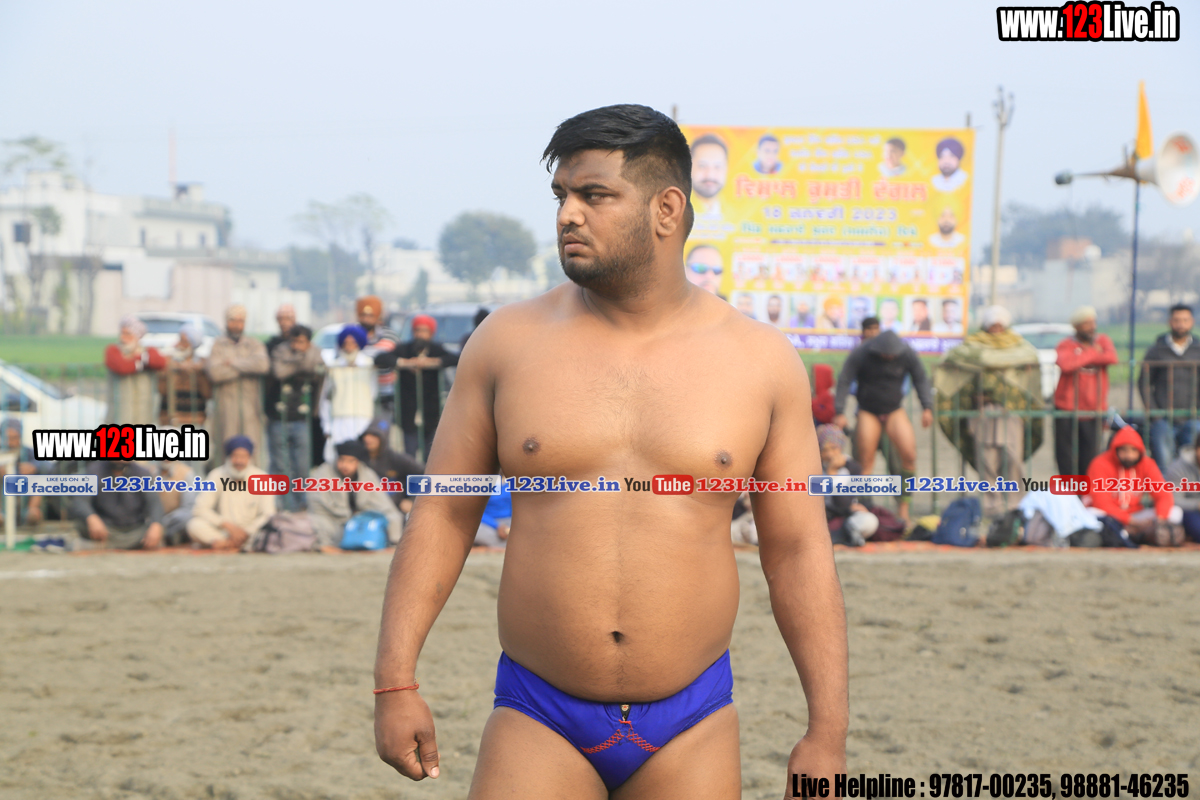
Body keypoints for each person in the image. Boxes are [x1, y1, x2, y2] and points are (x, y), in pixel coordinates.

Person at [373, 104, 846, 798]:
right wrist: (395, 682)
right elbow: (443, 514)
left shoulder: (760, 362)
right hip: (538, 711)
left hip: (693, 718)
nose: (568, 214)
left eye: (594, 195)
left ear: (666, 209)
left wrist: (826, 732)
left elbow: (797, 548)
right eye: (561, 195)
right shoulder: (506, 343)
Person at [934, 306, 1044, 518]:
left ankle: (1015, 505)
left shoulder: (1020, 348)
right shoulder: (971, 348)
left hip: (1012, 412)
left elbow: (1030, 368)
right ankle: (991, 506)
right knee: (987, 459)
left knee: (1012, 458)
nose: (996, 328)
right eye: (993, 325)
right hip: (982, 411)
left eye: (1000, 325)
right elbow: (952, 362)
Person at [833, 330, 933, 522]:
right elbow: (844, 379)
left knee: (909, 456)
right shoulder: (862, 352)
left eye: (892, 355)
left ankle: (903, 508)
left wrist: (927, 406)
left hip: (894, 409)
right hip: (868, 410)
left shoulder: (906, 353)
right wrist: (840, 411)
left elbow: (920, 378)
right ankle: (864, 508)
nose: (889, 358)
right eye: (886, 355)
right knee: (865, 462)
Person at [374, 314, 460, 461]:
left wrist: (433, 362)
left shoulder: (436, 349)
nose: (420, 334)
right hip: (409, 411)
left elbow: (455, 358)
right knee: (409, 454)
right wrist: (405, 363)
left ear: (431, 333)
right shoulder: (404, 349)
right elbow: (381, 358)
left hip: (430, 412)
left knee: (430, 455)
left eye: (424, 331)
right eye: (417, 330)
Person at [1085, 425, 1184, 547]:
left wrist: (1160, 520)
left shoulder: (1147, 464)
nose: (1129, 455)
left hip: (1136, 515)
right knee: (1091, 513)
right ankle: (1133, 534)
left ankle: (1132, 533)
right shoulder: (1100, 464)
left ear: (1140, 451)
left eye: (1133, 450)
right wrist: (1131, 522)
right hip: (1111, 516)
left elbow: (1163, 495)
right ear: (1115, 450)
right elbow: (1101, 503)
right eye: (1124, 450)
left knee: (1175, 512)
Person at [1053, 306, 1118, 476]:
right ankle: (1068, 489)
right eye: (1086, 323)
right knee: (1065, 455)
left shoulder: (1103, 340)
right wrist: (1093, 353)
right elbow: (1066, 364)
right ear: (1077, 326)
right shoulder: (1066, 344)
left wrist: (1080, 357)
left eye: (1093, 322)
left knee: (1090, 455)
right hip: (1067, 408)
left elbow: (1111, 357)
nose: (1092, 327)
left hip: (1094, 409)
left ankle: (1087, 490)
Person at [307, 439, 403, 549]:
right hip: (334, 521)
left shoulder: (367, 474)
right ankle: (326, 547)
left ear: (358, 462)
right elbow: (317, 508)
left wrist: (360, 516)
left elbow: (384, 505)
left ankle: (393, 547)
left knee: (393, 517)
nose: (345, 465)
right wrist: (347, 517)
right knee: (315, 523)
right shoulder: (322, 474)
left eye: (350, 461)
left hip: (363, 521)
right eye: (342, 460)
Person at [187, 435, 275, 551]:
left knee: (271, 530)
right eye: (235, 456)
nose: (239, 461)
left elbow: (268, 514)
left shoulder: (262, 478)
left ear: (249, 458)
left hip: (251, 533)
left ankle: (226, 544)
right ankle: (227, 543)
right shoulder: (216, 475)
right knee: (194, 525)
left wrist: (247, 531)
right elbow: (200, 508)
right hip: (224, 531)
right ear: (229, 457)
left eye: (243, 457)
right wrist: (226, 525)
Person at [1139, 303, 1200, 470]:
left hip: (1192, 417)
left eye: (1185, 320)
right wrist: (1155, 413)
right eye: (1177, 320)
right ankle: (1166, 488)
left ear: (1192, 322)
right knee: (1164, 463)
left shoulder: (1198, 349)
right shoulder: (1157, 350)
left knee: (1192, 463)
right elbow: (1144, 382)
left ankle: (1190, 487)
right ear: (1170, 322)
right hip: (1163, 417)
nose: (1181, 324)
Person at [206, 305, 270, 462]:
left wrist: (232, 362)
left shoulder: (254, 344)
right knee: (226, 448)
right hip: (226, 406)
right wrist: (246, 367)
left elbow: (262, 365)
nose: (237, 325)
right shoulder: (218, 345)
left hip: (250, 406)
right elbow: (215, 373)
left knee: (251, 448)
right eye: (233, 320)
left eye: (240, 321)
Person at [270, 325, 323, 509]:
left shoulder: (316, 351)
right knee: (281, 464)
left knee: (301, 463)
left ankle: (302, 503)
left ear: (309, 342)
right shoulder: (280, 350)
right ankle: (286, 504)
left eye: (301, 342)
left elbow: (316, 369)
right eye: (294, 341)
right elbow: (279, 372)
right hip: (279, 416)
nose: (297, 346)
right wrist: (301, 361)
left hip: (302, 418)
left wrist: (293, 363)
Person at [71, 461, 163, 550]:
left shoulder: (143, 473)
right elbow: (80, 501)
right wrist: (91, 517)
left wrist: (156, 525)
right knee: (81, 524)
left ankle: (99, 546)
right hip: (105, 529)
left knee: (159, 528)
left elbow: (155, 503)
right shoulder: (93, 470)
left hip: (135, 530)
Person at [320, 324, 377, 464]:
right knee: (336, 457)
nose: (349, 347)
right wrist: (326, 425)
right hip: (339, 418)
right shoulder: (334, 366)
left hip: (363, 417)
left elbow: (373, 392)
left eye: (353, 342)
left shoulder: (368, 365)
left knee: (361, 458)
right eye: (346, 343)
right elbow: (326, 398)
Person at [816, 424, 879, 547]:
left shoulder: (852, 467)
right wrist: (831, 473)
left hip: (847, 516)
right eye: (825, 450)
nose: (830, 454)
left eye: (833, 448)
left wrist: (833, 475)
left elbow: (843, 503)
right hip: (823, 517)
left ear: (840, 447)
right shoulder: (815, 468)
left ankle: (851, 533)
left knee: (870, 521)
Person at [105, 315, 167, 424]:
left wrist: (136, 360)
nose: (123, 338)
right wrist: (142, 362)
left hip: (143, 407)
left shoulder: (149, 350)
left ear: (137, 336)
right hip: (119, 406)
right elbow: (122, 367)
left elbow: (160, 362)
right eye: (122, 333)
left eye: (128, 334)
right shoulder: (113, 350)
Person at [360, 419, 423, 514]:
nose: (368, 439)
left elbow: (424, 474)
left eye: (374, 435)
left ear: (383, 438)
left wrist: (412, 500)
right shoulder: (359, 458)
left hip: (394, 510)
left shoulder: (396, 458)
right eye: (366, 435)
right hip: (366, 509)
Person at [158, 319, 211, 427]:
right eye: (179, 340)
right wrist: (173, 368)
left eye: (183, 341)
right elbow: (161, 389)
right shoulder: (168, 361)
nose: (179, 344)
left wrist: (199, 371)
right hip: (169, 420)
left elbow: (207, 393)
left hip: (194, 420)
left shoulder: (201, 364)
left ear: (192, 344)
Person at [357, 296, 401, 416]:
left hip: (386, 392)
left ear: (378, 316)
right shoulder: (352, 336)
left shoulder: (390, 336)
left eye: (371, 316)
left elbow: (398, 357)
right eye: (363, 315)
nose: (366, 319)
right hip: (360, 391)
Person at [0, 418, 47, 527]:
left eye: (14, 438)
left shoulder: (28, 452)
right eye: (7, 438)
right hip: (3, 497)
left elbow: (48, 465)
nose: (10, 442)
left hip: (24, 497)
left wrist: (34, 467)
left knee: (40, 479)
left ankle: (32, 511)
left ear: (20, 437)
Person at [1164, 430, 1200, 542]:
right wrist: (1197, 504)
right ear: (1196, 449)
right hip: (1190, 511)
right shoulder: (1178, 468)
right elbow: (1174, 500)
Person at [154, 460, 198, 546]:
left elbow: (188, 508)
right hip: (155, 519)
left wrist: (161, 523)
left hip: (174, 520)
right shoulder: (151, 472)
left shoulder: (187, 473)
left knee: (189, 516)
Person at [689, 133, 728, 217]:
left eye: (717, 167)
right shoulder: (672, 211)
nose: (710, 175)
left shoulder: (739, 215)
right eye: (702, 166)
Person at [474, 481, 512, 548]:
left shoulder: (513, 483)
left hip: (509, 521)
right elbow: (476, 511)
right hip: (486, 523)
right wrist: (497, 525)